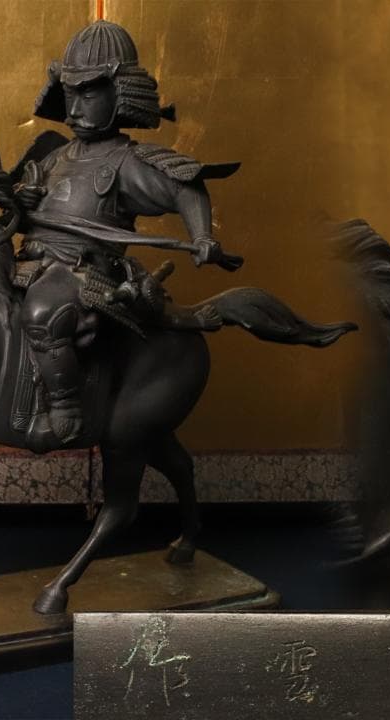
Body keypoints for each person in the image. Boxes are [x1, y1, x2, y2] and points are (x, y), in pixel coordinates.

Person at [13, 20, 240, 451]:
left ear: (119, 95)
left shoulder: (126, 161)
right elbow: (17, 212)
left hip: (82, 273)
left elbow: (185, 186)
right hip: (30, 263)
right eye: (70, 94)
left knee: (43, 314)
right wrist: (21, 203)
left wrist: (203, 236)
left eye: (88, 94)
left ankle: (64, 410)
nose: (75, 108)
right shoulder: (52, 154)